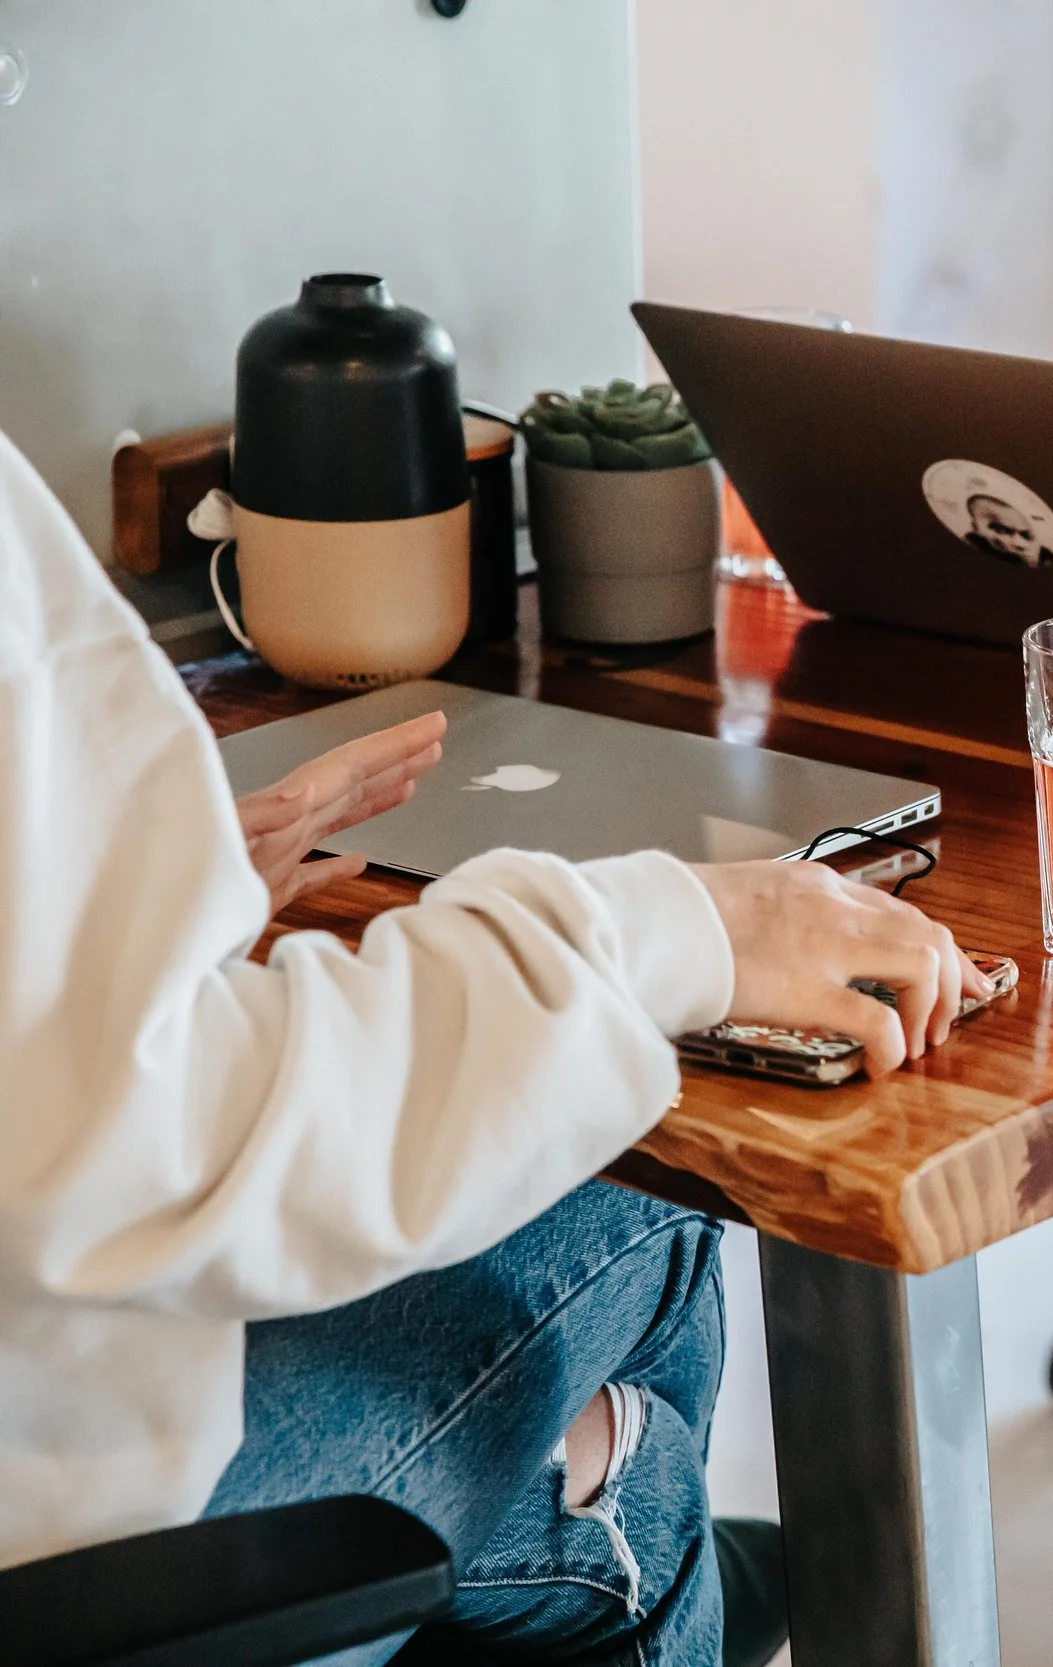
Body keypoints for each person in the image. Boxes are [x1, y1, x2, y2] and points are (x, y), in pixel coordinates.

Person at [0, 427, 988, 1664]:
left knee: (592, 1360)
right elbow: (149, 1150)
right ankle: (632, 1520)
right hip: (54, 1542)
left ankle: (610, 1508)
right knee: (632, 1214)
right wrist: (658, 932)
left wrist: (115, 914)